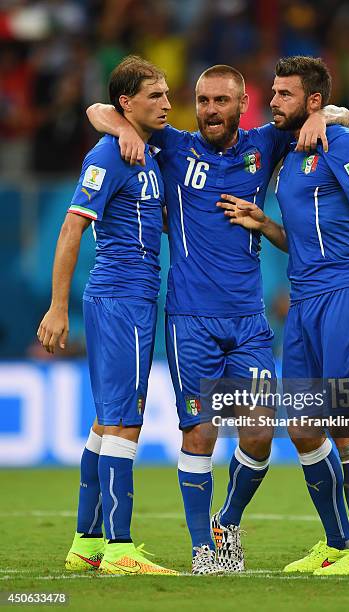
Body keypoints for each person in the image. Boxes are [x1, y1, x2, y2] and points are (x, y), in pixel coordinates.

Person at [87, 64, 349, 574]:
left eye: (221, 101)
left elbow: (322, 112)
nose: (210, 110)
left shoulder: (265, 144)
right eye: (203, 100)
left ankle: (226, 520)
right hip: (190, 320)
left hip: (249, 320)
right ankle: (202, 552)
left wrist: (329, 117)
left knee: (258, 432)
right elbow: (100, 109)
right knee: (201, 434)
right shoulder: (174, 147)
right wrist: (120, 127)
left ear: (242, 103)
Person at [217, 55, 349, 576]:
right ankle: (337, 543)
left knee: (345, 422)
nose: (273, 101)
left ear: (311, 100)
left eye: (284, 94)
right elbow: (301, 238)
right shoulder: (292, 151)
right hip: (304, 303)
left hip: (347, 295)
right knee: (306, 429)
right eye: (274, 92)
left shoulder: (342, 144)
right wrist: (266, 225)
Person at [37, 56, 177, 576]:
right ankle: (120, 547)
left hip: (134, 299)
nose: (166, 103)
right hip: (120, 299)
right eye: (155, 95)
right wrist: (56, 307)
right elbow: (72, 229)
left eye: (166, 93)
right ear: (128, 102)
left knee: (105, 421)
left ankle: (86, 542)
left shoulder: (147, 147)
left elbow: (98, 108)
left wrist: (119, 122)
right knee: (126, 421)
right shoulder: (109, 155)